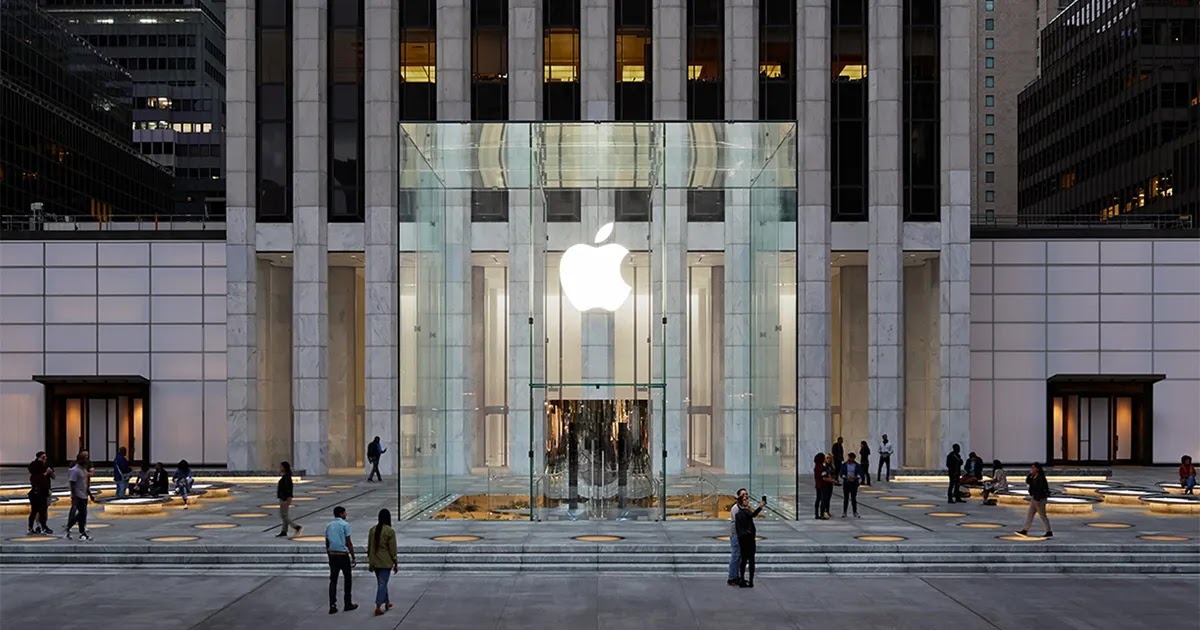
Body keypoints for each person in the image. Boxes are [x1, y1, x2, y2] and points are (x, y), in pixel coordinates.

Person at [325, 506, 358, 614]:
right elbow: (348, 542)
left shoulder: (329, 525)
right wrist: (353, 556)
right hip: (343, 555)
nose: (346, 514)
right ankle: (347, 603)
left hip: (333, 555)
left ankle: (332, 605)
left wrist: (329, 555)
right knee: (347, 579)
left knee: (333, 580)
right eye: (344, 513)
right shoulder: (345, 525)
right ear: (341, 514)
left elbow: (327, 542)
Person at [367, 508, 399, 616]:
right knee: (382, 583)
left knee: (381, 582)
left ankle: (387, 602)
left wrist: (370, 561)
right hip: (385, 561)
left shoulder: (372, 530)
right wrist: (395, 561)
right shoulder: (390, 531)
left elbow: (370, 547)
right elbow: (392, 548)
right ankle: (378, 606)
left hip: (375, 561)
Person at [734, 494, 765, 588]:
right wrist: (760, 507)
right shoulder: (746, 512)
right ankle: (750, 580)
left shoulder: (738, 514)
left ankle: (743, 579)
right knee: (751, 560)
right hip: (749, 539)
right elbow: (753, 515)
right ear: (741, 502)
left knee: (743, 560)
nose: (747, 501)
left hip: (742, 539)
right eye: (745, 500)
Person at [1016, 462, 1053, 538]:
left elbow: (1040, 489)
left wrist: (1037, 499)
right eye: (1031, 467)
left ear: (1037, 469)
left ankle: (1048, 531)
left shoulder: (1040, 477)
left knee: (1042, 515)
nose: (1032, 469)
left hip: (1039, 499)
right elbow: (1028, 482)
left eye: (1033, 467)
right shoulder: (1033, 476)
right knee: (1030, 514)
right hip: (1034, 498)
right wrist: (1029, 474)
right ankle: (1025, 530)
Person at [64, 453, 93, 540]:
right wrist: (74, 497)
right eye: (84, 459)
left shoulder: (83, 470)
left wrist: (90, 494)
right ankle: (72, 528)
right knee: (82, 514)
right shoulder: (75, 470)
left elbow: (85, 483)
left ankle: (80, 531)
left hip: (84, 495)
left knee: (82, 515)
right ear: (80, 460)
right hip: (78, 495)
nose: (86, 461)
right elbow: (72, 483)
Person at [27, 451, 54, 535]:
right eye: (43, 457)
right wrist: (46, 473)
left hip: (44, 490)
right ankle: (35, 527)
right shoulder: (35, 467)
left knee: (42, 510)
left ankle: (42, 526)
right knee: (36, 510)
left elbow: (53, 476)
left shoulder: (46, 465)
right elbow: (38, 478)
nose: (45, 459)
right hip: (37, 491)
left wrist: (50, 472)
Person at [727, 487, 749, 585]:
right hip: (737, 535)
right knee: (735, 556)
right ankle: (732, 577)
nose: (745, 496)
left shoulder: (743, 507)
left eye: (746, 494)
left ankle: (737, 576)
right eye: (743, 494)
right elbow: (737, 523)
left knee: (739, 556)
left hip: (741, 535)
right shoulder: (736, 508)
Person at [277, 461, 303, 538]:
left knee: (284, 515)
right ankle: (284, 531)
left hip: (284, 498)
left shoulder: (286, 478)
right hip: (284, 498)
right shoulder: (286, 477)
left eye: (281, 467)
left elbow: (287, 490)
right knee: (284, 515)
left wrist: (286, 499)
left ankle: (296, 527)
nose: (280, 468)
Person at [840, 452, 865, 518]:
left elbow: (860, 474)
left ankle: (855, 512)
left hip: (854, 483)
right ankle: (844, 512)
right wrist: (845, 477)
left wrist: (856, 477)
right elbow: (841, 474)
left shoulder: (857, 465)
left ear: (854, 458)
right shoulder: (844, 465)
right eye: (849, 457)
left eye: (851, 458)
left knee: (853, 498)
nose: (850, 459)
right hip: (846, 482)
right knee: (846, 498)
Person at [812, 454, 830, 520]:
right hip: (823, 485)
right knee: (823, 500)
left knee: (818, 499)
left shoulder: (816, 467)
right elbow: (824, 477)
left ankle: (816, 514)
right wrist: (832, 481)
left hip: (818, 485)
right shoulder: (823, 468)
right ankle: (822, 514)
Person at [822, 453, 839, 519]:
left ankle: (827, 511)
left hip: (830, 484)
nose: (829, 459)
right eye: (827, 458)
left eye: (830, 458)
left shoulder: (831, 466)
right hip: (825, 484)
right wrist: (831, 480)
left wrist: (833, 479)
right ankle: (823, 512)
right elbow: (823, 477)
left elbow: (832, 474)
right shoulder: (824, 466)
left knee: (828, 498)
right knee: (824, 498)